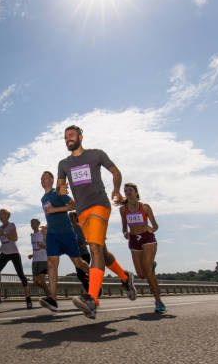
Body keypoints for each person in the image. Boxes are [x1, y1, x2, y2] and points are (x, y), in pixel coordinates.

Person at [57, 125, 136, 319]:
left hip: (100, 205)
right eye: (65, 137)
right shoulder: (63, 164)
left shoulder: (96, 155)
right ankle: (126, 277)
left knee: (94, 249)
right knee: (102, 251)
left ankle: (92, 299)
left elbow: (116, 172)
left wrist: (116, 190)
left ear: (81, 136)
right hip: (82, 212)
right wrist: (62, 191)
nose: (68, 139)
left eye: (72, 136)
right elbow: (60, 187)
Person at [38, 171, 91, 312]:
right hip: (52, 235)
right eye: (41, 178)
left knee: (78, 262)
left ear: (52, 180)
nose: (43, 179)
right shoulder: (43, 198)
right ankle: (53, 299)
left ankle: (94, 275)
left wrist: (55, 209)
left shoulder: (58, 193)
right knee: (51, 263)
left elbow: (73, 205)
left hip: (66, 233)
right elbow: (50, 215)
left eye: (46, 177)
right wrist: (47, 227)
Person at [121, 183, 166, 313]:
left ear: (136, 192)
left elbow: (155, 225)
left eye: (130, 190)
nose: (128, 192)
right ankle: (150, 266)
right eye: (125, 191)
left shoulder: (145, 207)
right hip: (134, 240)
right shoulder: (123, 209)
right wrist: (125, 234)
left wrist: (151, 228)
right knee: (141, 275)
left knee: (148, 272)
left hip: (147, 238)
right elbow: (124, 227)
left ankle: (158, 302)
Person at [0, 209, 32, 309]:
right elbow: (4, 242)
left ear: (7, 216)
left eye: (2, 215)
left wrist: (4, 233)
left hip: (14, 253)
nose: (0, 217)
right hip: (4, 253)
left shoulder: (11, 225)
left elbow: (15, 238)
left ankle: (28, 298)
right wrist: (0, 248)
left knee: (21, 275)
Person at [27, 219, 50, 298]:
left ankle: (49, 296)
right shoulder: (32, 235)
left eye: (33, 223)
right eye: (31, 223)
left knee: (41, 281)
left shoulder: (43, 233)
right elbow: (36, 249)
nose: (32, 224)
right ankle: (49, 292)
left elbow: (49, 247)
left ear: (38, 224)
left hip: (43, 260)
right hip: (35, 261)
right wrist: (32, 255)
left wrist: (43, 246)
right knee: (35, 282)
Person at [70, 211, 91, 292]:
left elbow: (90, 239)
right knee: (80, 275)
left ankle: (91, 291)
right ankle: (91, 290)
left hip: (84, 254)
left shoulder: (81, 227)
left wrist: (84, 244)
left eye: (72, 216)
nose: (71, 218)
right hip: (75, 255)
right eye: (69, 217)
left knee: (81, 274)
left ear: (76, 218)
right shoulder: (69, 229)